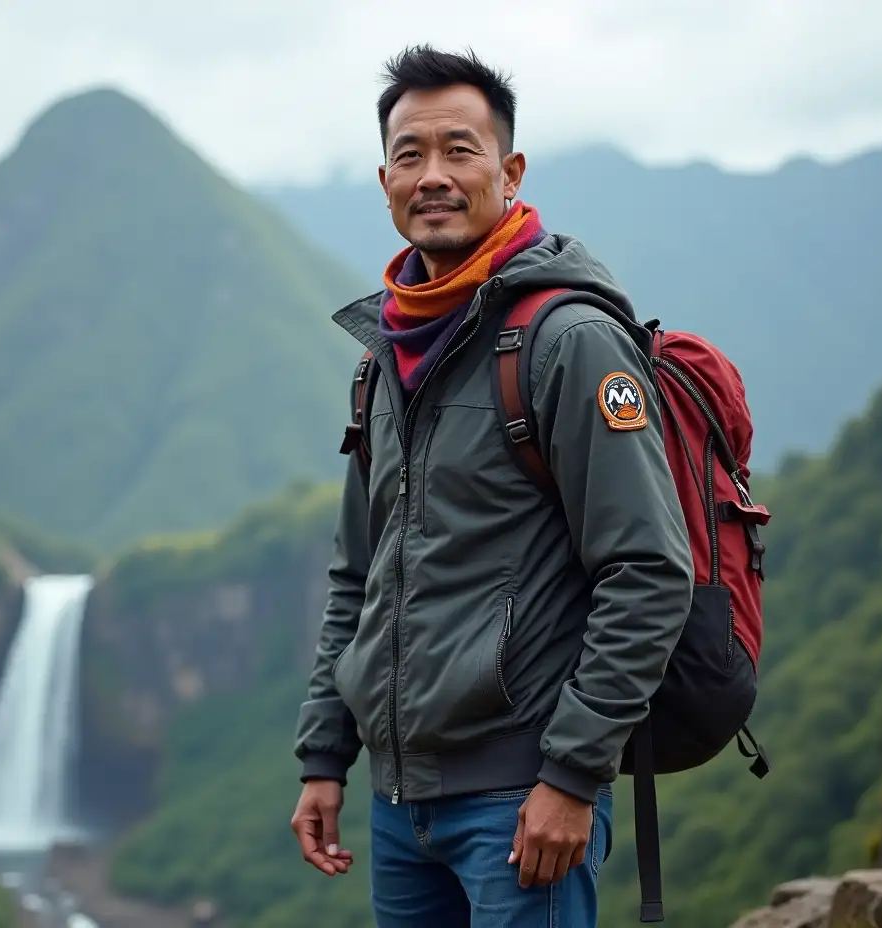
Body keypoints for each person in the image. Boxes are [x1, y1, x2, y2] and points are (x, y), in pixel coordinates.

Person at [291, 44, 694, 928]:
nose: (432, 175)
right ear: (386, 179)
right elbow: (359, 578)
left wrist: (572, 775)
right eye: (410, 154)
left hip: (520, 800)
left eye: (459, 150)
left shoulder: (566, 341)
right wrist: (326, 754)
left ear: (508, 172)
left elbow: (650, 570)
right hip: (401, 809)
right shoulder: (387, 358)